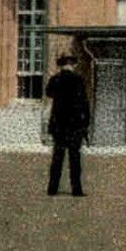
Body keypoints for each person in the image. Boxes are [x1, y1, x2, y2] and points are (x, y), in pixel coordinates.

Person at [45, 54, 91, 196]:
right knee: (74, 159)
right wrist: (85, 124)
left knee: (57, 158)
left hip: (59, 125)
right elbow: (84, 104)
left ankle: (52, 188)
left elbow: (49, 93)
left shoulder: (55, 80)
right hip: (74, 126)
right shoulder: (78, 81)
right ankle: (76, 189)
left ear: (61, 66)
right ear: (73, 65)